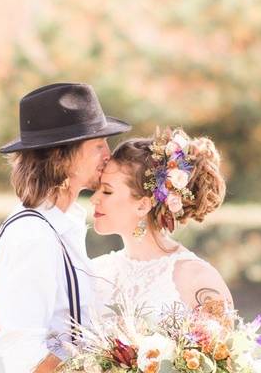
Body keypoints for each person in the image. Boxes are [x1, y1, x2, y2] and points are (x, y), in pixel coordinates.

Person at [0, 83, 131, 373]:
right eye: (97, 145)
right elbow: (24, 353)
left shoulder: (66, 223)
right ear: (60, 156)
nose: (109, 154)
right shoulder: (32, 235)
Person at [89, 127, 234, 318]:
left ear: (142, 206)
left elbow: (223, 347)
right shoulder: (95, 271)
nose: (94, 199)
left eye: (107, 191)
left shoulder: (196, 278)